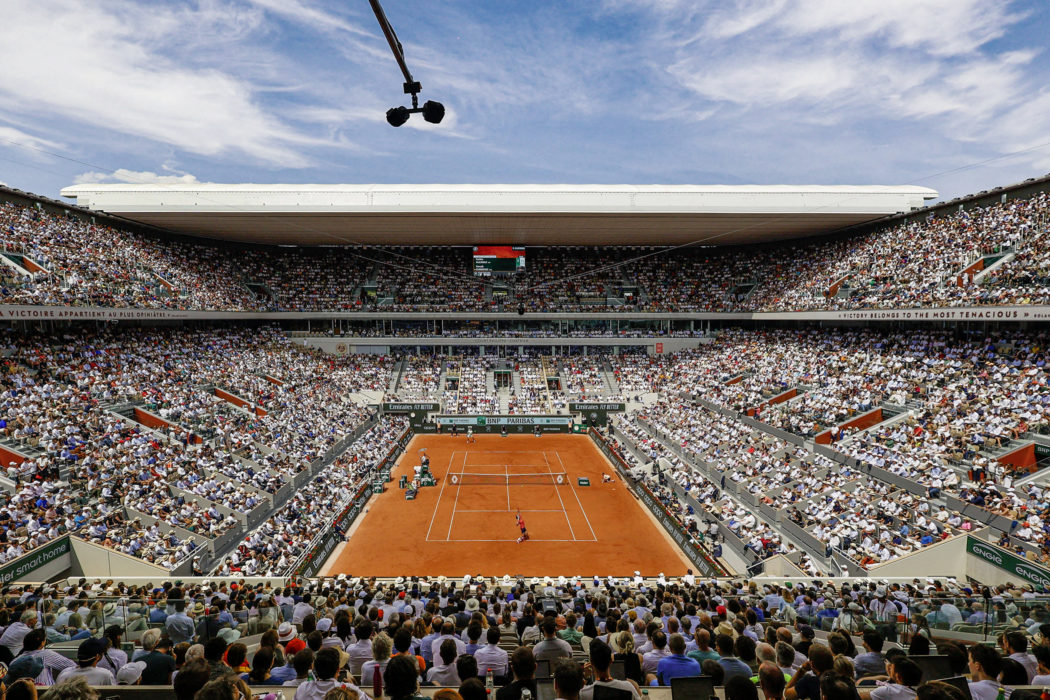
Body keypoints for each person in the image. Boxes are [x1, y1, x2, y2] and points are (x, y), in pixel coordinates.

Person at [294, 647, 362, 700]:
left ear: (315, 669)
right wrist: (353, 690)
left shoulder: (303, 688)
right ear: (338, 670)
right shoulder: (348, 690)